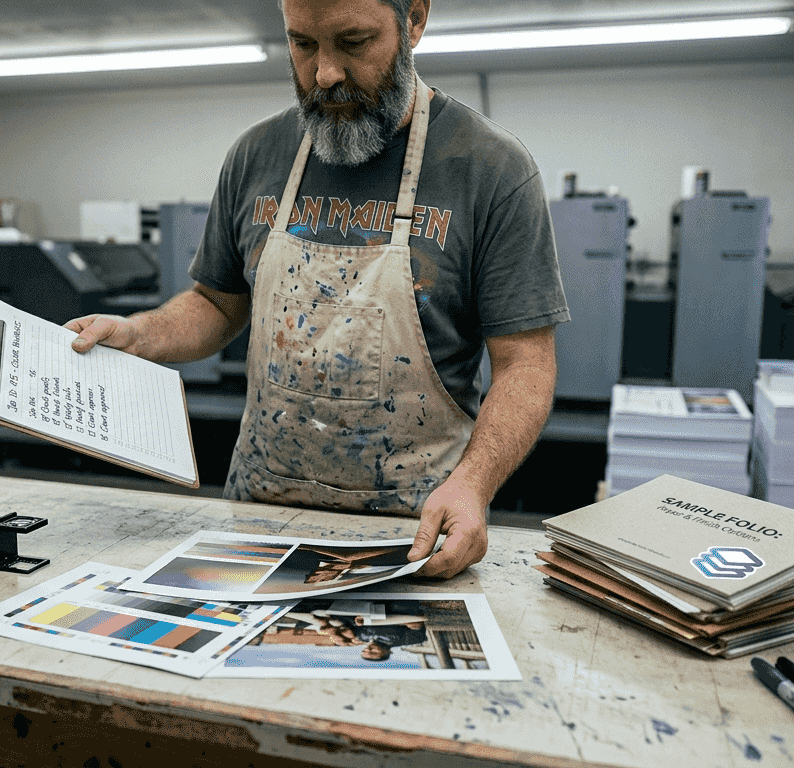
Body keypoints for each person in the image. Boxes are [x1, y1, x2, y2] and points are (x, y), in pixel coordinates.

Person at [66, 0, 568, 579]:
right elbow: (217, 304)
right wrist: (139, 333)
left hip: (416, 536)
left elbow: (525, 364)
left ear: (416, 19)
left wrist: (474, 486)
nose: (325, 74)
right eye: (303, 45)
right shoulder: (256, 155)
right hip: (256, 523)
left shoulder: (491, 169)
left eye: (353, 43)